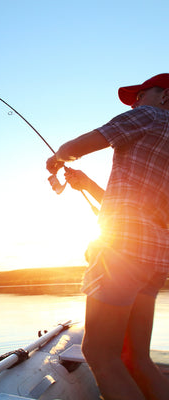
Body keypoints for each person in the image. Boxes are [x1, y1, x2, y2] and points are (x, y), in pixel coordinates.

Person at [46, 73, 169, 400]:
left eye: (141, 95)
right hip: (155, 261)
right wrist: (86, 184)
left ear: (165, 97)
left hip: (123, 254)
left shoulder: (149, 115)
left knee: (101, 354)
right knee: (139, 359)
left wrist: (57, 158)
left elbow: (74, 148)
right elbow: (144, 208)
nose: (135, 103)